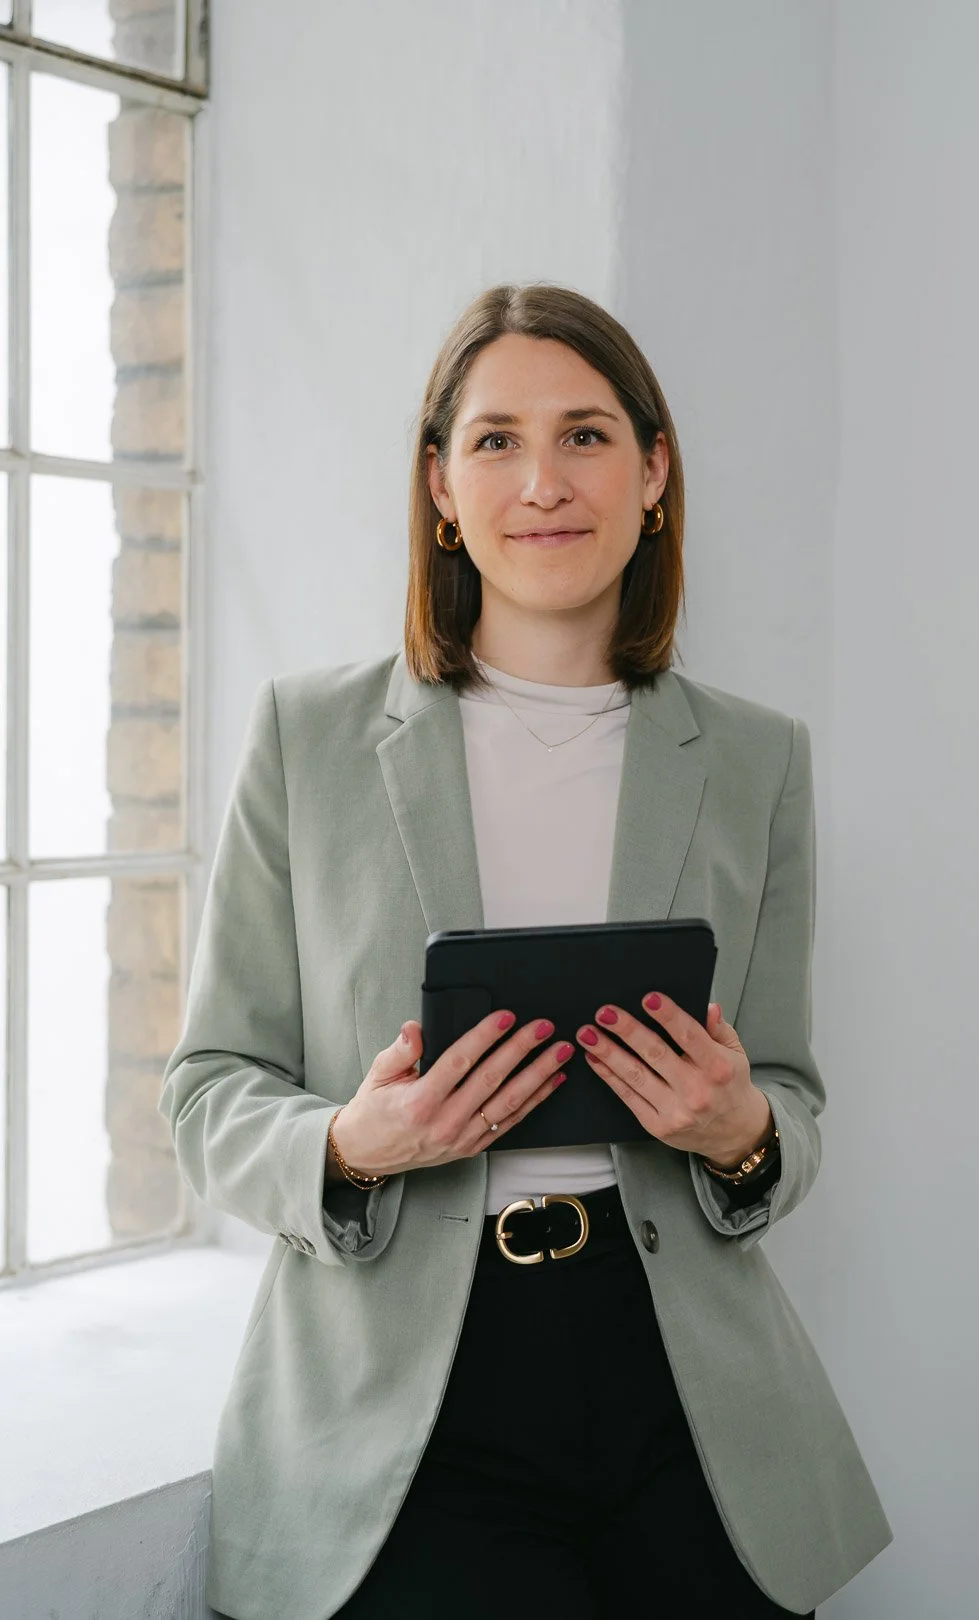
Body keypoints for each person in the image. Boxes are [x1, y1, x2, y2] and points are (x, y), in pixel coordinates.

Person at [162, 283, 892, 1620]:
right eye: (495, 440)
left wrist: (741, 1131)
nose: (543, 481)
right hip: (402, 1401)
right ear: (439, 484)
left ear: (655, 470)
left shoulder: (754, 758)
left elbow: (791, 1095)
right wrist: (350, 1146)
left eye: (589, 435)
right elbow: (208, 1088)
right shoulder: (305, 738)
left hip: (681, 1386)